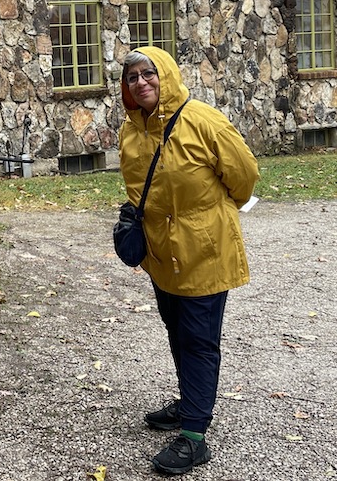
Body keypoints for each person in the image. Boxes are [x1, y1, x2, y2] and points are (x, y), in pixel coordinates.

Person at [118, 46, 259, 475]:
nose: (141, 83)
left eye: (148, 74)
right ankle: (188, 403)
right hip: (161, 254)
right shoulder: (131, 131)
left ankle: (195, 436)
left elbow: (244, 175)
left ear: (166, 75)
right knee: (178, 333)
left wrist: (207, 218)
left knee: (198, 340)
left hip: (204, 251)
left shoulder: (203, 120)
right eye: (131, 78)